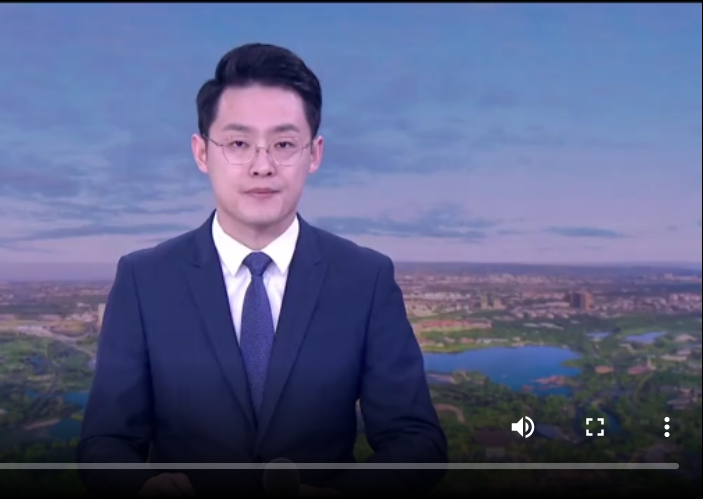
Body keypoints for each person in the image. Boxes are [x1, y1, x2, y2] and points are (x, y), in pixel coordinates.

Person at [77, 43, 447, 497]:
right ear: (201, 152)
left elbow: (417, 441)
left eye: (284, 144)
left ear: (314, 153)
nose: (262, 166)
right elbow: (104, 443)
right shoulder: (144, 279)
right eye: (238, 144)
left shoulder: (364, 278)